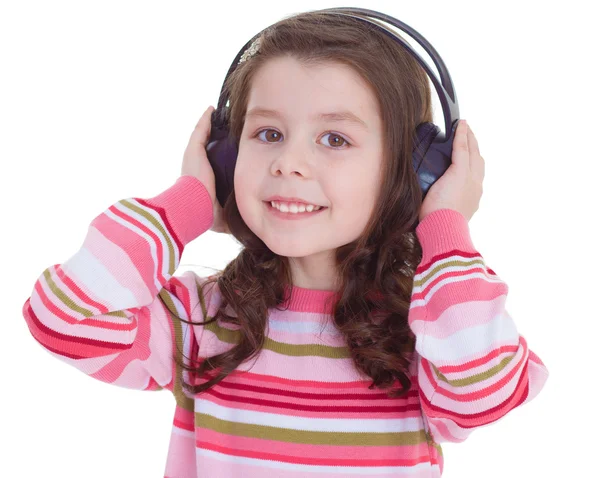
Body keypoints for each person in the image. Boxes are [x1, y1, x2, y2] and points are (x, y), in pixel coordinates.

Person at [21, 9, 549, 477]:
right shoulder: (201, 320)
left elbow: (486, 390)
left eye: (335, 139)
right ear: (226, 158)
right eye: (268, 134)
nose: (287, 162)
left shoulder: (430, 330)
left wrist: (444, 225)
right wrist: (188, 205)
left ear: (414, 174)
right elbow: (63, 317)